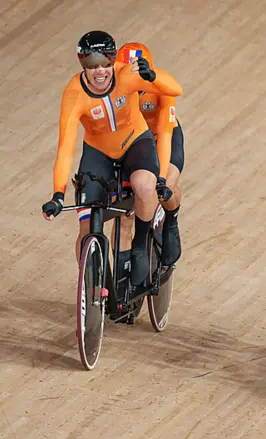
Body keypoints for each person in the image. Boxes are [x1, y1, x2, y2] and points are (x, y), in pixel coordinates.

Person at [41, 30, 182, 290]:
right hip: (98, 153)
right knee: (86, 224)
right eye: (92, 67)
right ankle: (92, 290)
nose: (100, 72)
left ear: (113, 61)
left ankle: (141, 245)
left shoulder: (127, 75)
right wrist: (58, 194)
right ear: (82, 66)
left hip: (135, 143)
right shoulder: (74, 94)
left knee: (144, 185)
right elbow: (65, 148)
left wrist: (153, 77)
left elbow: (175, 89)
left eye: (105, 64)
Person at [110, 42, 185, 280]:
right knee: (123, 211)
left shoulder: (160, 89)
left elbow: (164, 135)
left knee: (166, 185)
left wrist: (161, 178)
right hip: (132, 144)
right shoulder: (112, 89)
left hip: (161, 136)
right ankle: (121, 279)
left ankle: (171, 221)